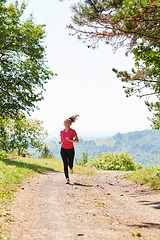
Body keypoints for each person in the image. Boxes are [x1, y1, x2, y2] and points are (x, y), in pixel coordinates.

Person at [59, 115, 79, 184]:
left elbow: (77, 140)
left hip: (70, 149)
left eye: (68, 123)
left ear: (70, 124)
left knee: (70, 163)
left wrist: (70, 140)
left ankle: (71, 168)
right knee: (65, 163)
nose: (66, 124)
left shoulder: (73, 131)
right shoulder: (61, 132)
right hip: (63, 149)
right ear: (63, 124)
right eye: (65, 122)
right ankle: (67, 178)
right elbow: (61, 139)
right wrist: (60, 141)